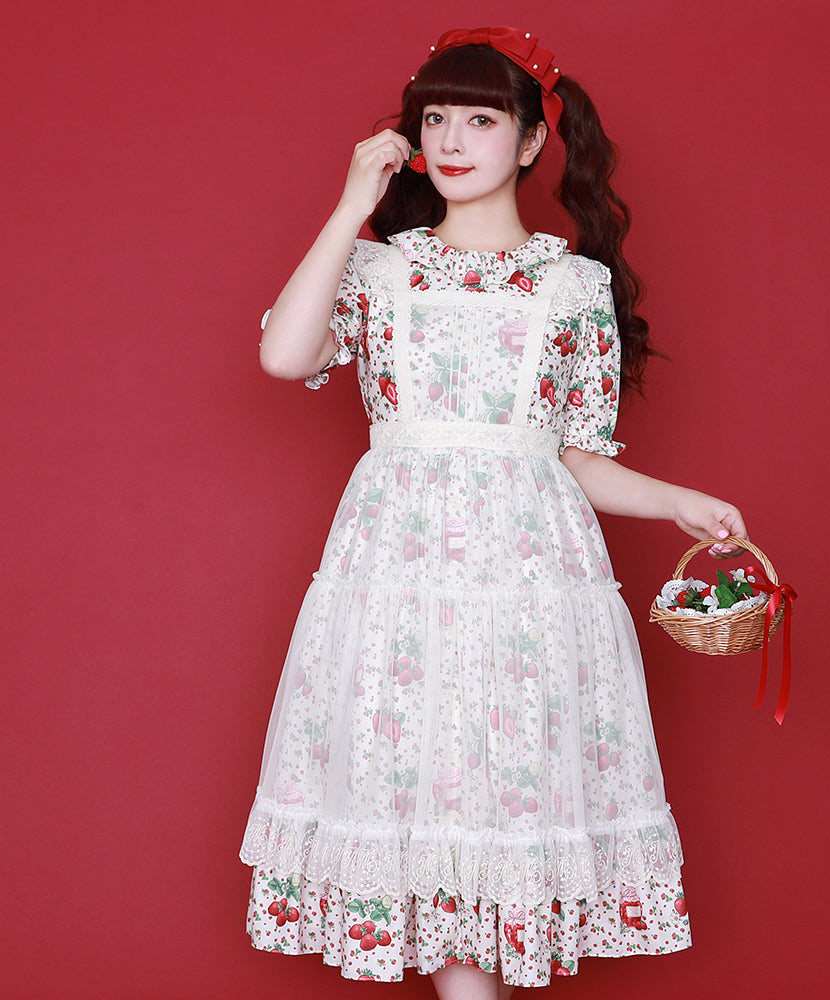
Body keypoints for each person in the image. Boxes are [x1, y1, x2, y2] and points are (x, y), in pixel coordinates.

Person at [240, 26, 747, 997]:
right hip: (400, 575)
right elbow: (283, 356)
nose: (451, 140)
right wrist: (352, 206)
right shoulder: (379, 269)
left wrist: (677, 501)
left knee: (497, 805)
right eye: (434, 118)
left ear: (530, 142)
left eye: (480, 120)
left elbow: (572, 457)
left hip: (525, 581)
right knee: (422, 801)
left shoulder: (574, 287)